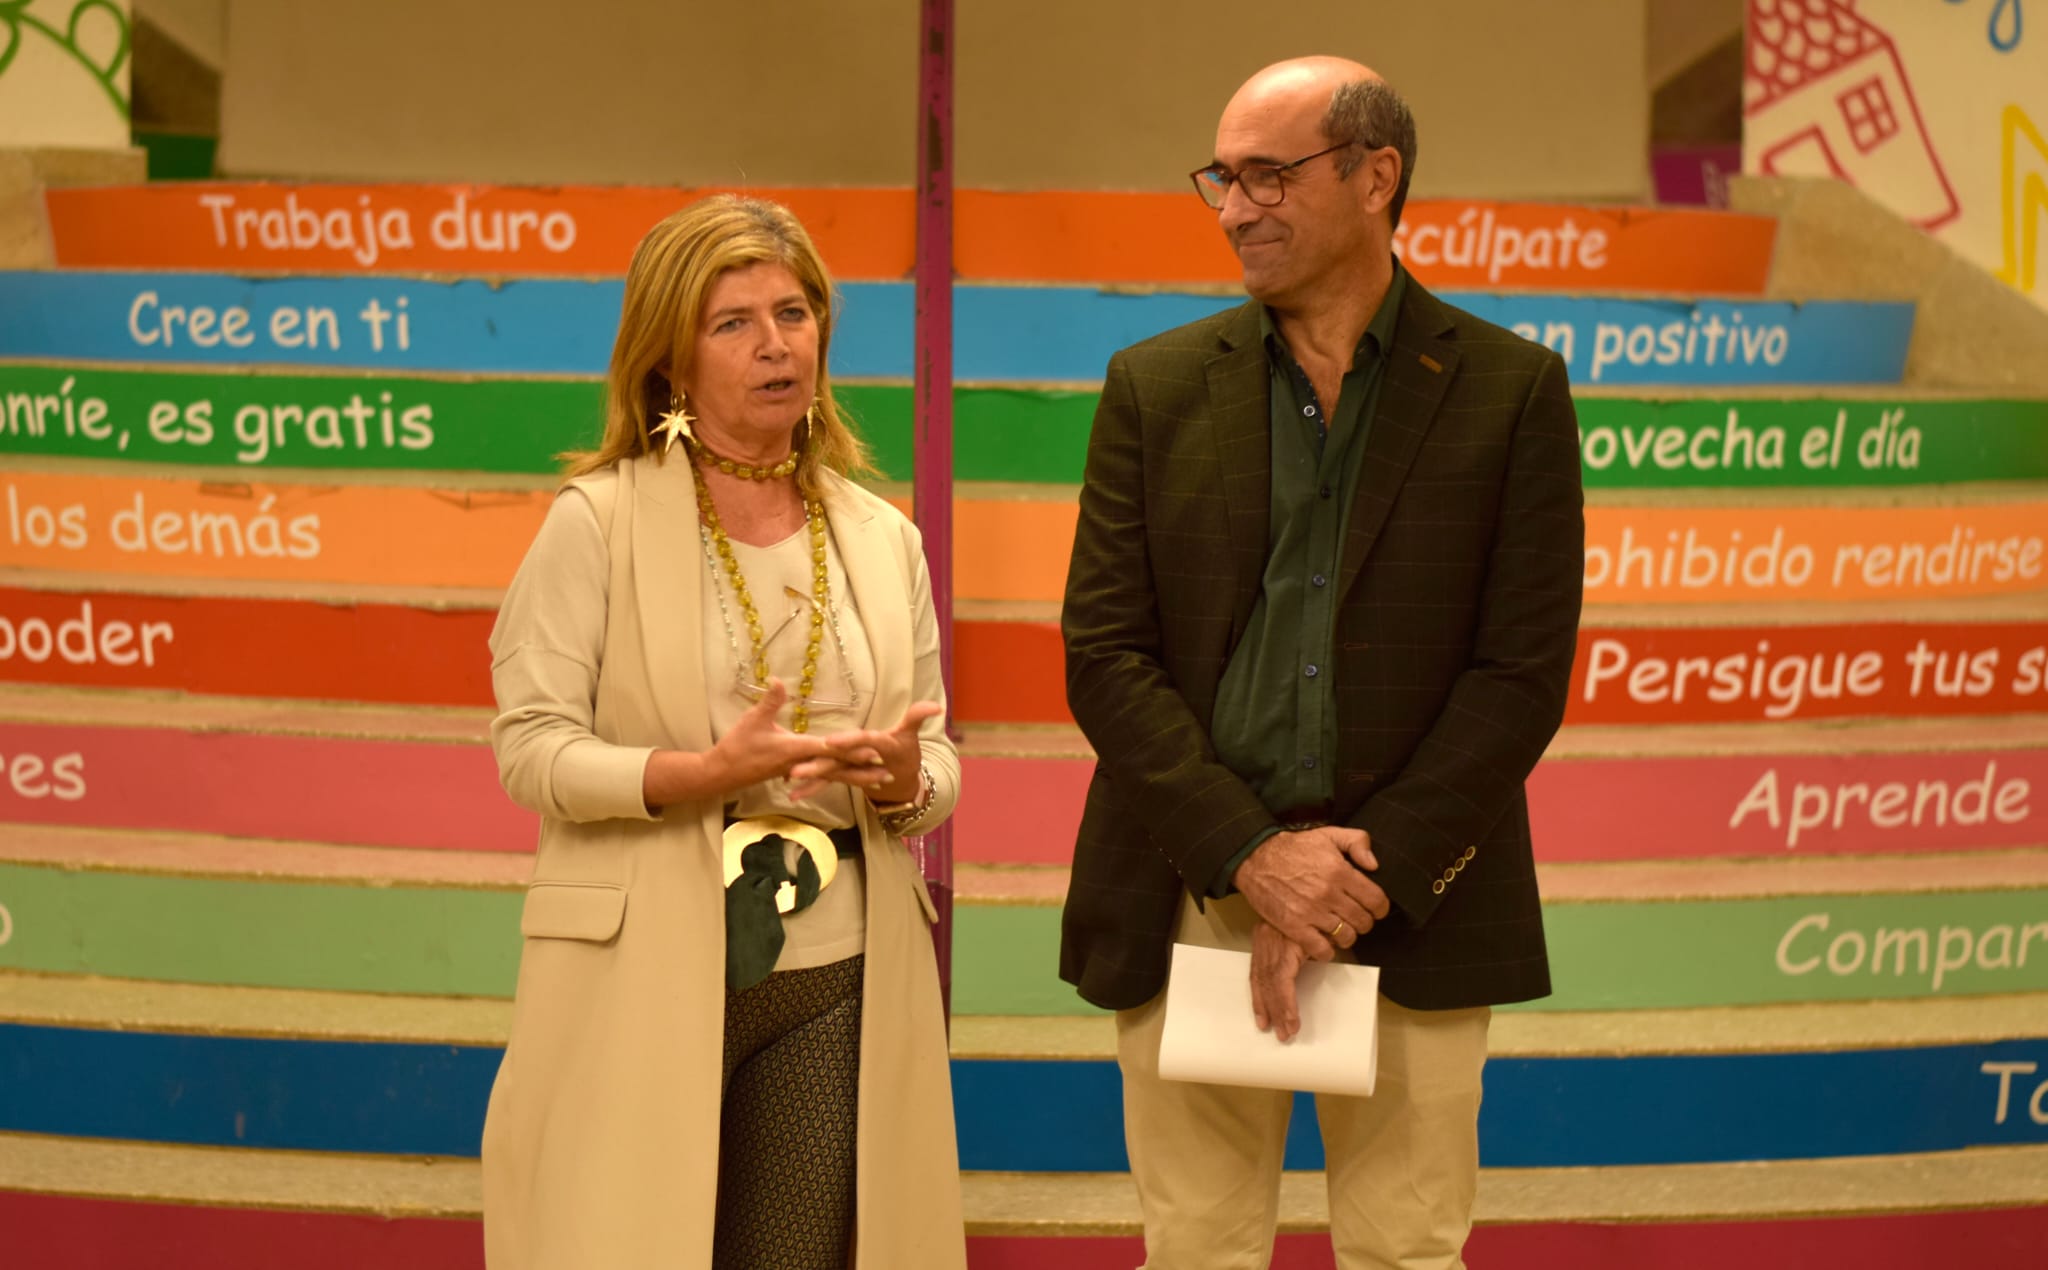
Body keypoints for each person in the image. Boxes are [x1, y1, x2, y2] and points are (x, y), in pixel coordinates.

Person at [1059, 57, 1585, 1269]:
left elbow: (1517, 676)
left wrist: (1350, 880)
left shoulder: (1510, 390)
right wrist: (1251, 855)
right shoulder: (1152, 385)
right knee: (1195, 1253)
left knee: (1406, 1253)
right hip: (1190, 892)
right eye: (1221, 179)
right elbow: (1105, 654)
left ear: (1373, 175)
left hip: (1413, 902)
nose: (1234, 209)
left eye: (1266, 176)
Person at [482, 194, 966, 1270]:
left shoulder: (883, 536)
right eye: (732, 322)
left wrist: (903, 782)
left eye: (792, 314)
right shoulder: (596, 522)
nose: (774, 344)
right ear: (671, 357)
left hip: (836, 966)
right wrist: (694, 772)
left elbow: (937, 761)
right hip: (641, 958)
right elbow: (531, 747)